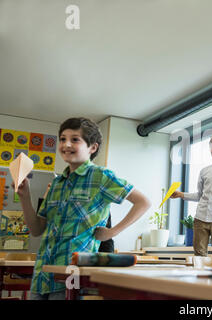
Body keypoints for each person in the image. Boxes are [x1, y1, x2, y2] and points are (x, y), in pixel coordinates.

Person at [15, 117, 151, 300]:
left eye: (75, 139)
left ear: (92, 147)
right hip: (42, 274)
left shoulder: (101, 176)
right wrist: (25, 196)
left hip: (72, 275)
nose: (66, 144)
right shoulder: (56, 183)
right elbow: (37, 229)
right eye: (63, 139)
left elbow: (143, 202)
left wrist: (112, 232)